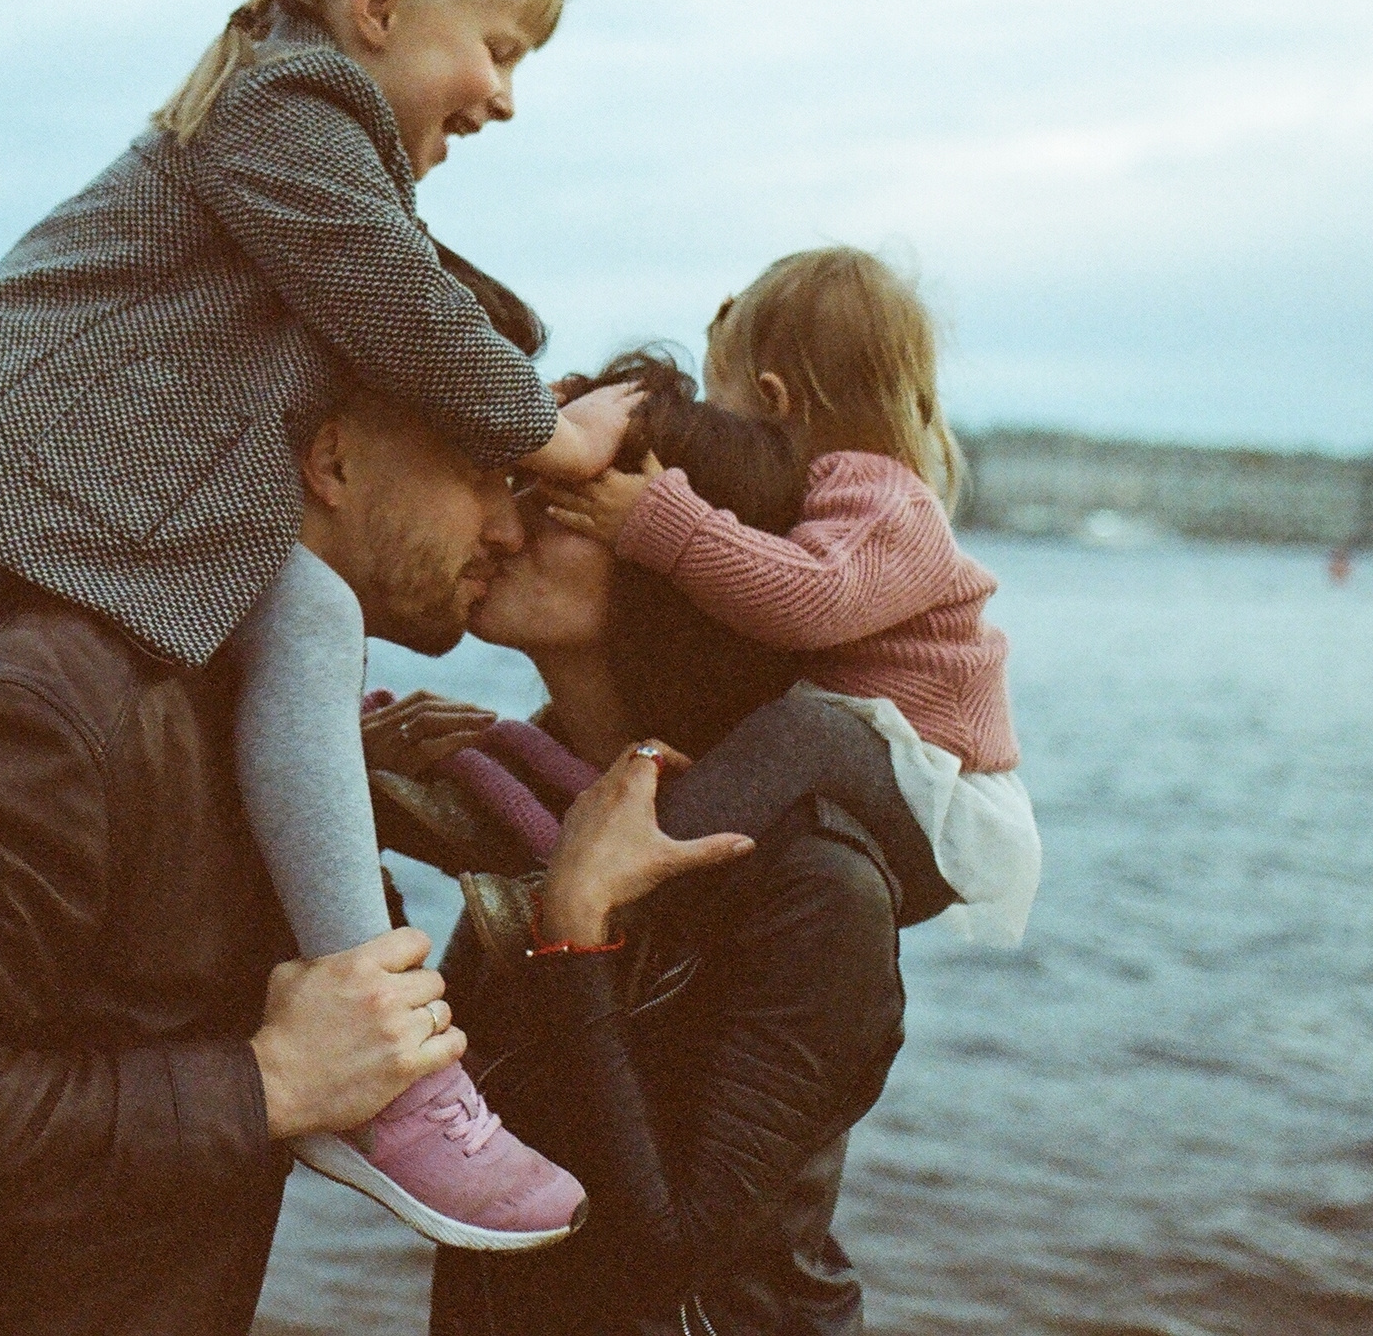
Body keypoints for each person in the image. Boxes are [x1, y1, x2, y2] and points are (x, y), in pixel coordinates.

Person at [0, 0, 631, 1249]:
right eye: (500, 48)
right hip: (10, 497)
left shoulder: (292, 123)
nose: (507, 93)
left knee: (308, 636)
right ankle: (381, 1075)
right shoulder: (293, 102)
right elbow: (400, 305)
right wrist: (549, 432)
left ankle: (373, 1052)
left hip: (65, 504)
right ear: (382, 5)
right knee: (281, 639)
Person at [0, 384, 541, 1333]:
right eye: (481, 474)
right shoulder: (56, 704)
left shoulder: (254, 723)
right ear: (334, 461)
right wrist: (267, 1083)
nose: (510, 527)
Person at [364, 350, 959, 1333]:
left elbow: (668, 1250)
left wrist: (576, 930)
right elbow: (451, 1111)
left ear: (679, 562)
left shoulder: (811, 880)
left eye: (557, 506)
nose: (503, 528)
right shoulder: (534, 800)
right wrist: (356, 816)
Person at [544, 248, 1041, 945]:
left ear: (774, 402)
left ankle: (631, 880)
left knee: (799, 730)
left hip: (937, 800)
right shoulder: (842, 493)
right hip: (886, 775)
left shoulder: (886, 498)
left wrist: (656, 518)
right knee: (768, 727)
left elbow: (811, 598)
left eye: (723, 405)